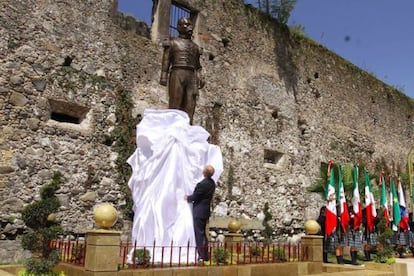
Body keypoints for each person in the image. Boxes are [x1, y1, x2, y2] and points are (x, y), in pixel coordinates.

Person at [160, 17, 205, 125]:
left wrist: (201, 75)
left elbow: (198, 65)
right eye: (186, 24)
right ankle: (172, 128)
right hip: (177, 73)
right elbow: (166, 60)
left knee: (190, 104)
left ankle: (187, 129)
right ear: (179, 27)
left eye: (190, 24)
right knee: (175, 102)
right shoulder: (172, 42)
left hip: (191, 76)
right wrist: (163, 75)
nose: (189, 27)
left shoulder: (195, 47)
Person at [185, 165, 216, 262]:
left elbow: (195, 197)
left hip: (199, 211)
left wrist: (187, 198)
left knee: (199, 234)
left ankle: (201, 255)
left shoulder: (202, 184)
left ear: (204, 172)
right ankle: (205, 254)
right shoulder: (212, 183)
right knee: (203, 234)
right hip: (205, 211)